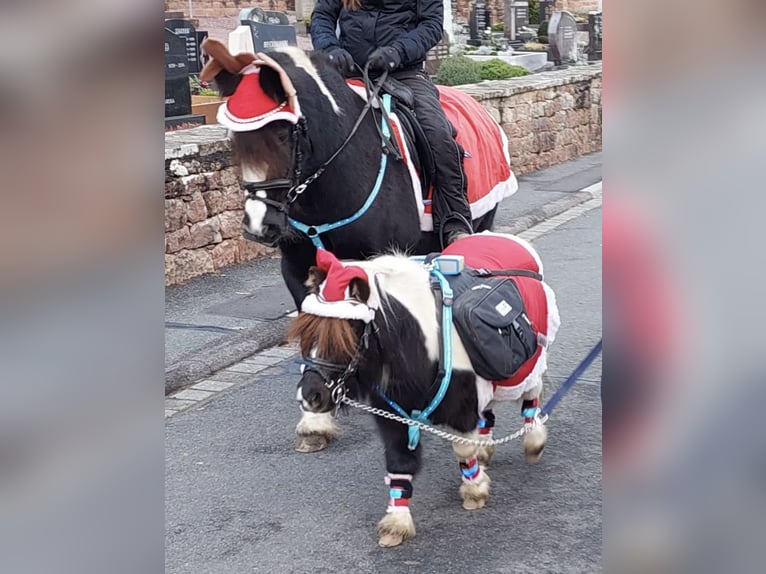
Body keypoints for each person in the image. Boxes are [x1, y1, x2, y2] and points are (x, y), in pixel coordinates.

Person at [310, 0, 474, 245]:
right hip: (348, 72)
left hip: (403, 73)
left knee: (437, 134)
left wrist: (398, 51)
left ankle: (454, 218)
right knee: (304, 126)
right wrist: (329, 48)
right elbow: (322, 16)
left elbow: (431, 25)